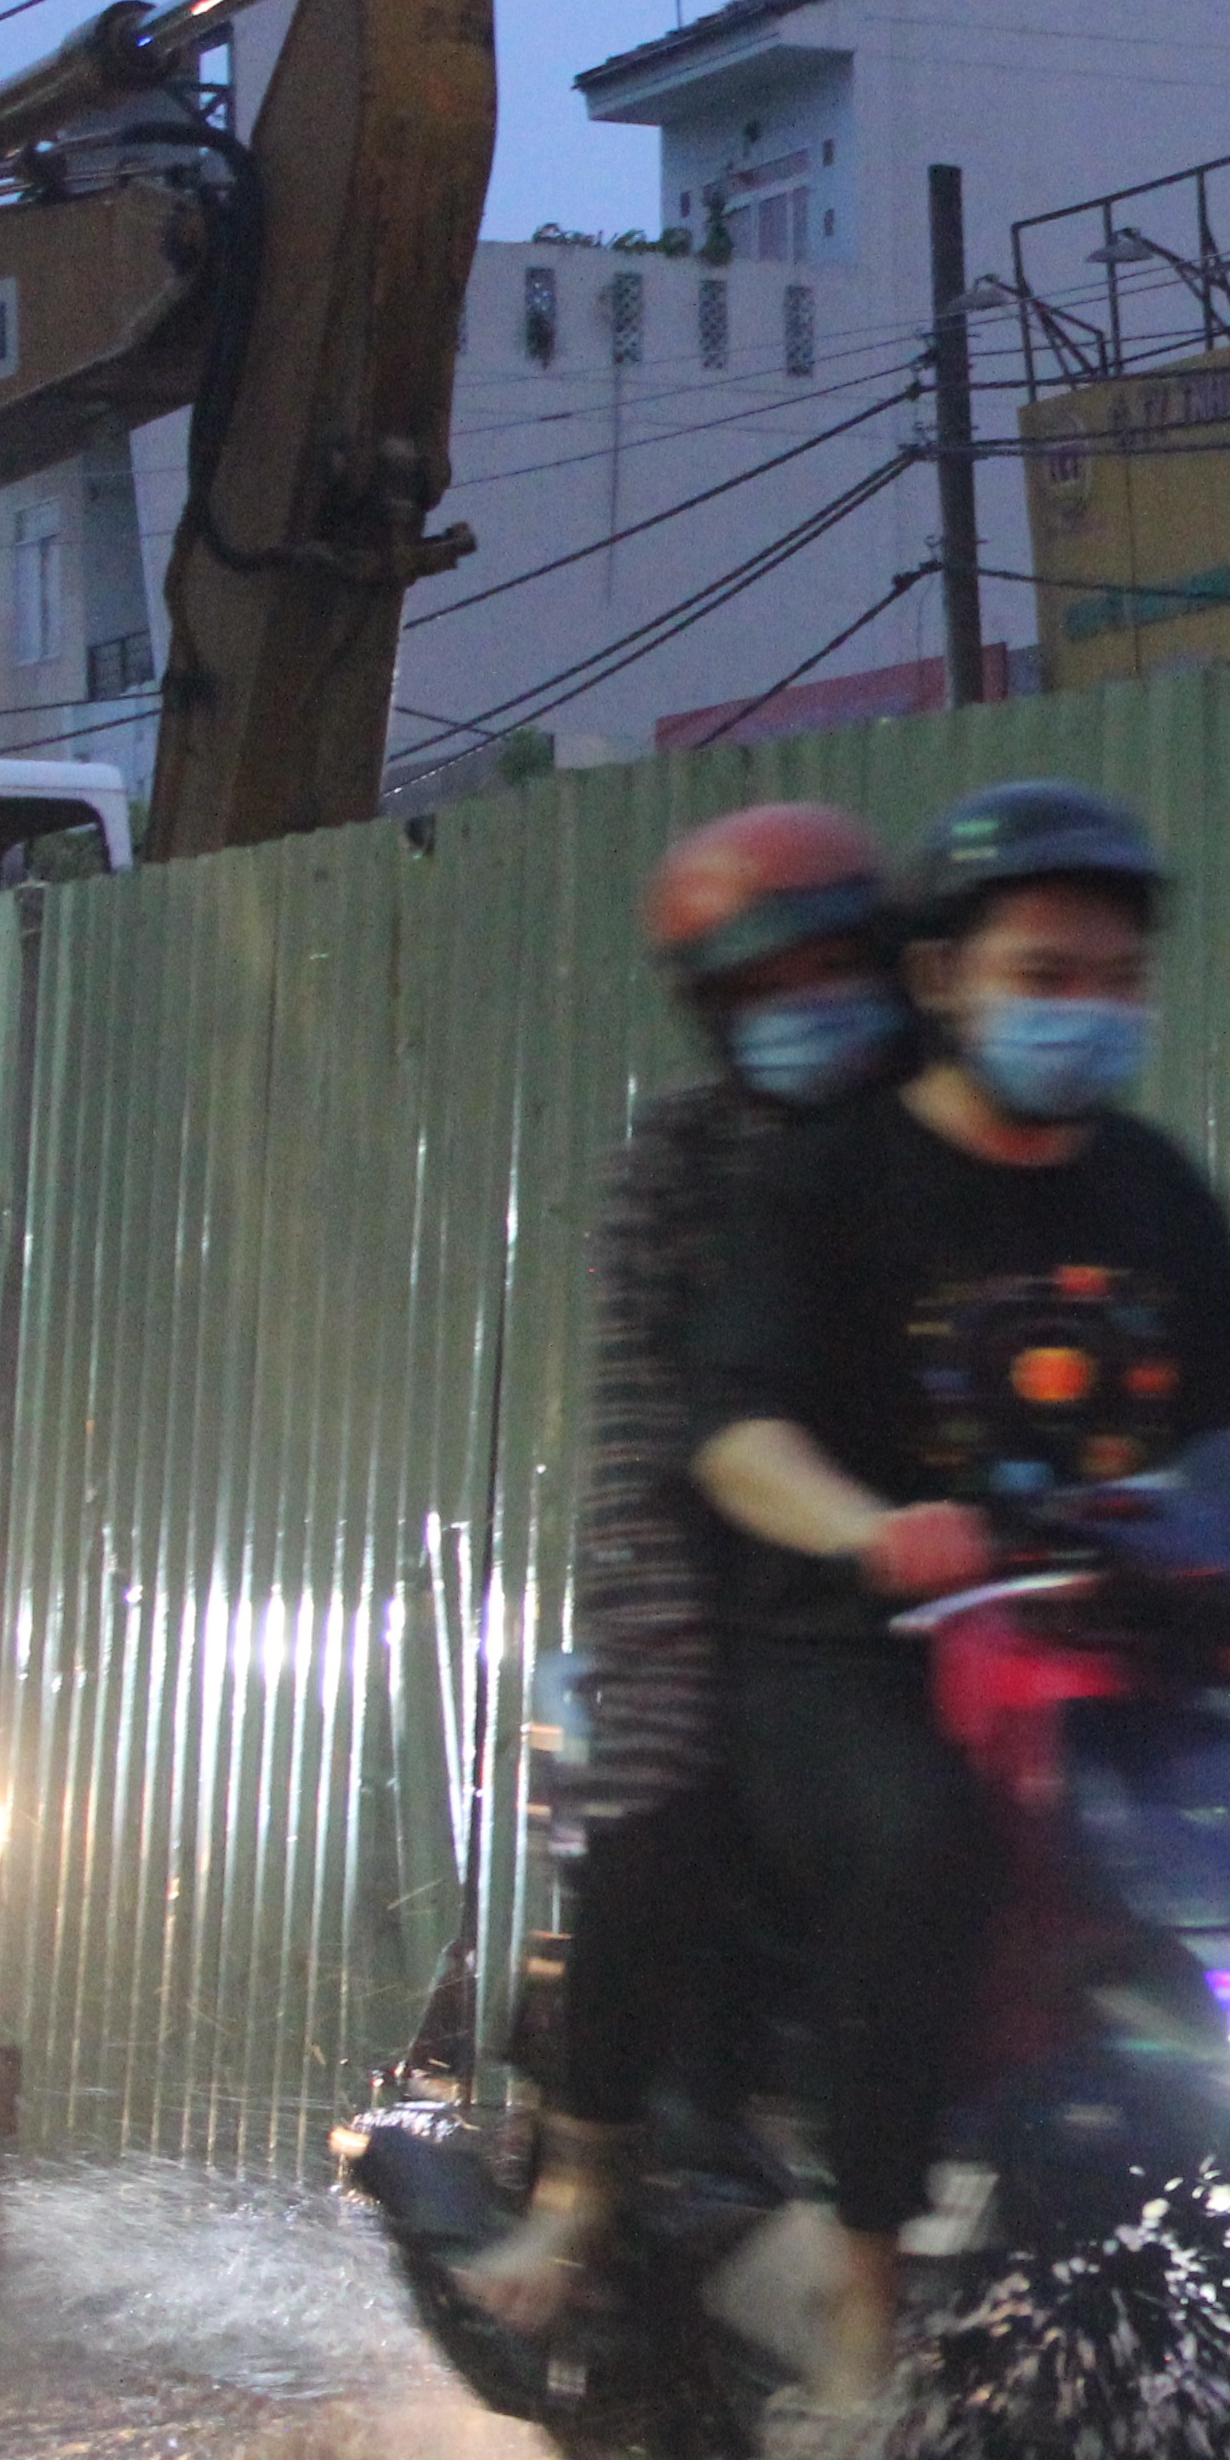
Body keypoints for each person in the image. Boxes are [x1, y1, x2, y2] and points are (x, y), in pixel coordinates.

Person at [686, 780, 1230, 2400]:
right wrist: (875, 1529)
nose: (1088, 1010)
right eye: (1047, 974)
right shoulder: (831, 1181)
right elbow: (735, 1432)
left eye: (1114, 981)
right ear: (945, 979)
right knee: (921, 1840)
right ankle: (864, 2288)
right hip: (856, 1649)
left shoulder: (1144, 1183)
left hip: (1109, 1646)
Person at [459, 803, 912, 2332]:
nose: (805, 1008)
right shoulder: (684, 1162)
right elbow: (661, 1420)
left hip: (947, 1574)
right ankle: (589, 2187)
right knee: (661, 1793)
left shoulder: (955, 1133)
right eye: (762, 988)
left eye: (833, 968)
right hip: (717, 1565)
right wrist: (689, 1601)